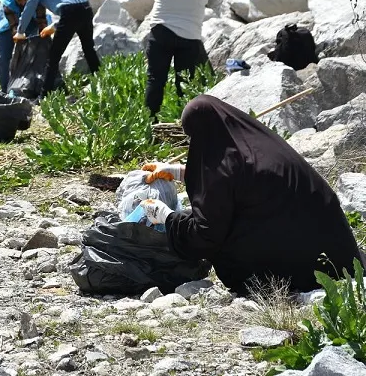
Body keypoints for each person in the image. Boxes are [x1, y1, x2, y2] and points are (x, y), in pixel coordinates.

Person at [139, 95, 363, 295]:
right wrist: (179, 172)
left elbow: (205, 237)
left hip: (309, 266)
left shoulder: (224, 168)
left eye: (193, 137)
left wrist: (166, 216)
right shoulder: (258, 144)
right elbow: (242, 181)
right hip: (339, 252)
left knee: (219, 236)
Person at [143, 0, 223, 121]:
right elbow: (216, 2)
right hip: (190, 35)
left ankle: (149, 127)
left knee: (155, 81)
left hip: (161, 30)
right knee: (185, 84)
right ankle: (185, 127)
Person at [14, 0, 99, 93]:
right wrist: (54, 26)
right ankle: (102, 82)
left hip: (70, 13)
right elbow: (72, 4)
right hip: (87, 8)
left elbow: (29, 9)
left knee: (53, 57)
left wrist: (20, 32)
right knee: (89, 49)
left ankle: (44, 95)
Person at [0, 0, 53, 93]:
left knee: (31, 54)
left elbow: (41, 19)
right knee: (4, 58)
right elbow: (14, 26)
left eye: (26, 0)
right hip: (8, 26)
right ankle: (5, 89)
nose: (23, 3)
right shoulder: (8, 2)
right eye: (19, 1)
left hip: (31, 22)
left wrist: (44, 35)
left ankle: (29, 85)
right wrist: (17, 35)